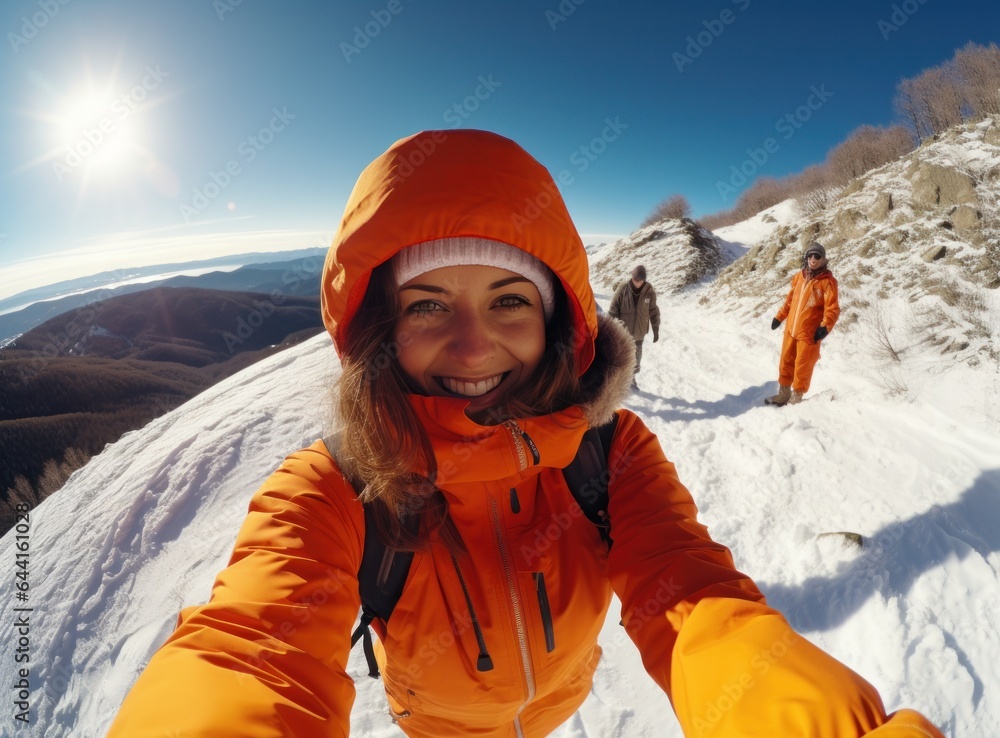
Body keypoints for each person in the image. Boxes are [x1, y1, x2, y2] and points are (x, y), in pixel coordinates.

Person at [108, 130, 942, 737]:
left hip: (560, 699)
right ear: (380, 334)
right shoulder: (333, 487)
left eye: (510, 301)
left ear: (557, 323)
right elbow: (247, 655)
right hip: (436, 724)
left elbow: (698, 604)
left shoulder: (612, 454)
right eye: (428, 306)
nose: (473, 349)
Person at [766, 242, 840, 406]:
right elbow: (790, 300)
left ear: (823, 259)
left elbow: (832, 308)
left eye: (817, 256)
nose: (813, 259)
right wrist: (779, 317)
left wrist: (825, 327)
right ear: (806, 258)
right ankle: (783, 394)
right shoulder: (799, 276)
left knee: (802, 365)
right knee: (785, 361)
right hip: (791, 330)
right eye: (810, 255)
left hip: (809, 333)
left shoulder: (828, 281)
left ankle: (796, 397)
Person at [608, 264, 659, 384]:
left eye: (640, 280)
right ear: (632, 277)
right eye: (635, 280)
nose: (637, 283)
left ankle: (631, 379)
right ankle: (618, 379)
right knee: (621, 355)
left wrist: (656, 327)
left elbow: (653, 310)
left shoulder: (649, 291)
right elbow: (613, 310)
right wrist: (613, 327)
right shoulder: (623, 288)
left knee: (637, 357)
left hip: (639, 331)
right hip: (623, 330)